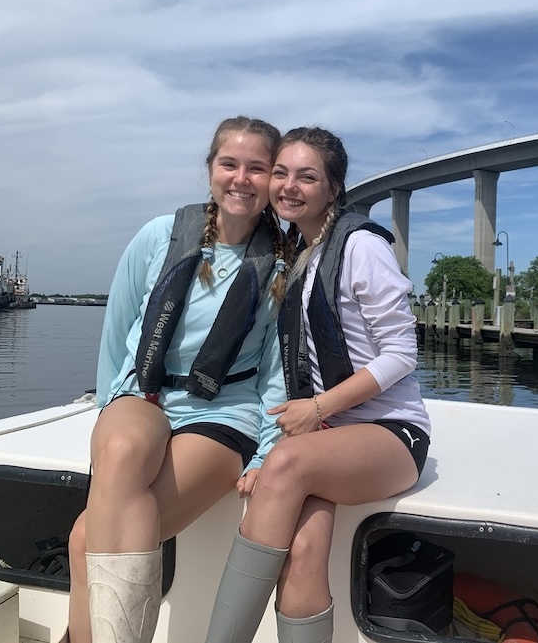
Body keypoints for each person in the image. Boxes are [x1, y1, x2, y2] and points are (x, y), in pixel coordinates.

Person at [61, 116, 288, 643]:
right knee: (119, 451)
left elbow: (277, 370)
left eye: (258, 168)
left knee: (81, 540)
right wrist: (108, 410)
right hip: (147, 391)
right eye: (229, 164)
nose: (241, 178)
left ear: (273, 179)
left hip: (224, 409)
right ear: (210, 169)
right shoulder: (159, 237)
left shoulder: (282, 266)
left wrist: (265, 452)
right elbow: (118, 331)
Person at [204, 126, 431, 643]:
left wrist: (317, 408)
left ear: (333, 188)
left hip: (392, 434)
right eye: (281, 173)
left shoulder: (360, 248)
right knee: (304, 550)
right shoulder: (304, 253)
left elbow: (401, 354)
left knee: (286, 463)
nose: (289, 186)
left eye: (307, 177)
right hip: (331, 439)